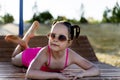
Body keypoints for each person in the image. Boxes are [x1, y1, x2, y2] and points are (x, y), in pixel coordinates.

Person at [5, 21, 100, 80]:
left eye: (61, 37)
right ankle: (24, 41)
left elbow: (95, 69)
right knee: (13, 59)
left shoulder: (71, 55)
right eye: (52, 35)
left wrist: (82, 73)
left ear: (69, 42)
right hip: (30, 55)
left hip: (38, 59)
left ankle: (25, 43)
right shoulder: (45, 52)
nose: (55, 39)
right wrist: (57, 76)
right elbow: (30, 73)